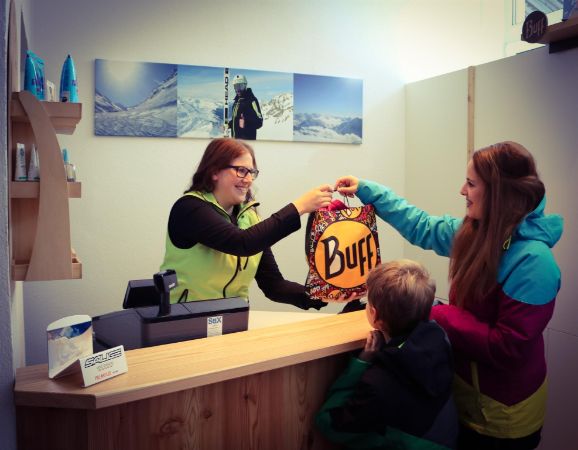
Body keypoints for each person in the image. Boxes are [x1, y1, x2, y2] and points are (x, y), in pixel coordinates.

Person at [334, 141, 563, 450]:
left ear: (500, 192)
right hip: (464, 403)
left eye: (471, 184)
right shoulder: (477, 233)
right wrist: (368, 190)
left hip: (503, 419)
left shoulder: (535, 263)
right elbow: (422, 226)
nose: (462, 191)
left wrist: (439, 313)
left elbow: (507, 347)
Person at [160, 137, 333, 310]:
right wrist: (299, 207)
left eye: (251, 172)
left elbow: (274, 285)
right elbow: (242, 243)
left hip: (232, 319)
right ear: (214, 171)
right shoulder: (189, 208)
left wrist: (327, 293)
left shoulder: (250, 219)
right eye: (241, 171)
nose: (248, 179)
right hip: (184, 318)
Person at [315, 259, 458, 449]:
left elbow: (329, 424)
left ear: (374, 315)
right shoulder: (440, 338)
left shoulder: (381, 381)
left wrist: (360, 363)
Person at [228, 74, 263, 140]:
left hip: (247, 141)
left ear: (245, 86)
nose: (238, 90)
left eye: (241, 86)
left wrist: (246, 121)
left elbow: (259, 122)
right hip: (235, 140)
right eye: (236, 87)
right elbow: (236, 119)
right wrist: (228, 125)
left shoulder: (252, 100)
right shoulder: (237, 101)